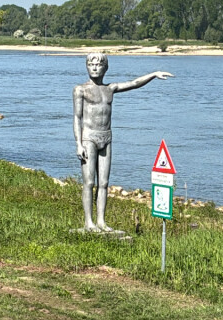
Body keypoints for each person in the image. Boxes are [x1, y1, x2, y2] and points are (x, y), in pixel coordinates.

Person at [73, 53, 174, 232]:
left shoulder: (110, 88)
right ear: (86, 66)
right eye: (91, 64)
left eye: (99, 65)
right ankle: (88, 222)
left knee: (103, 183)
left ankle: (101, 221)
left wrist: (153, 74)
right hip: (89, 137)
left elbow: (134, 83)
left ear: (106, 68)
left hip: (106, 137)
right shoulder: (80, 90)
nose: (95, 67)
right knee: (89, 183)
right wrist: (78, 144)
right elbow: (77, 117)